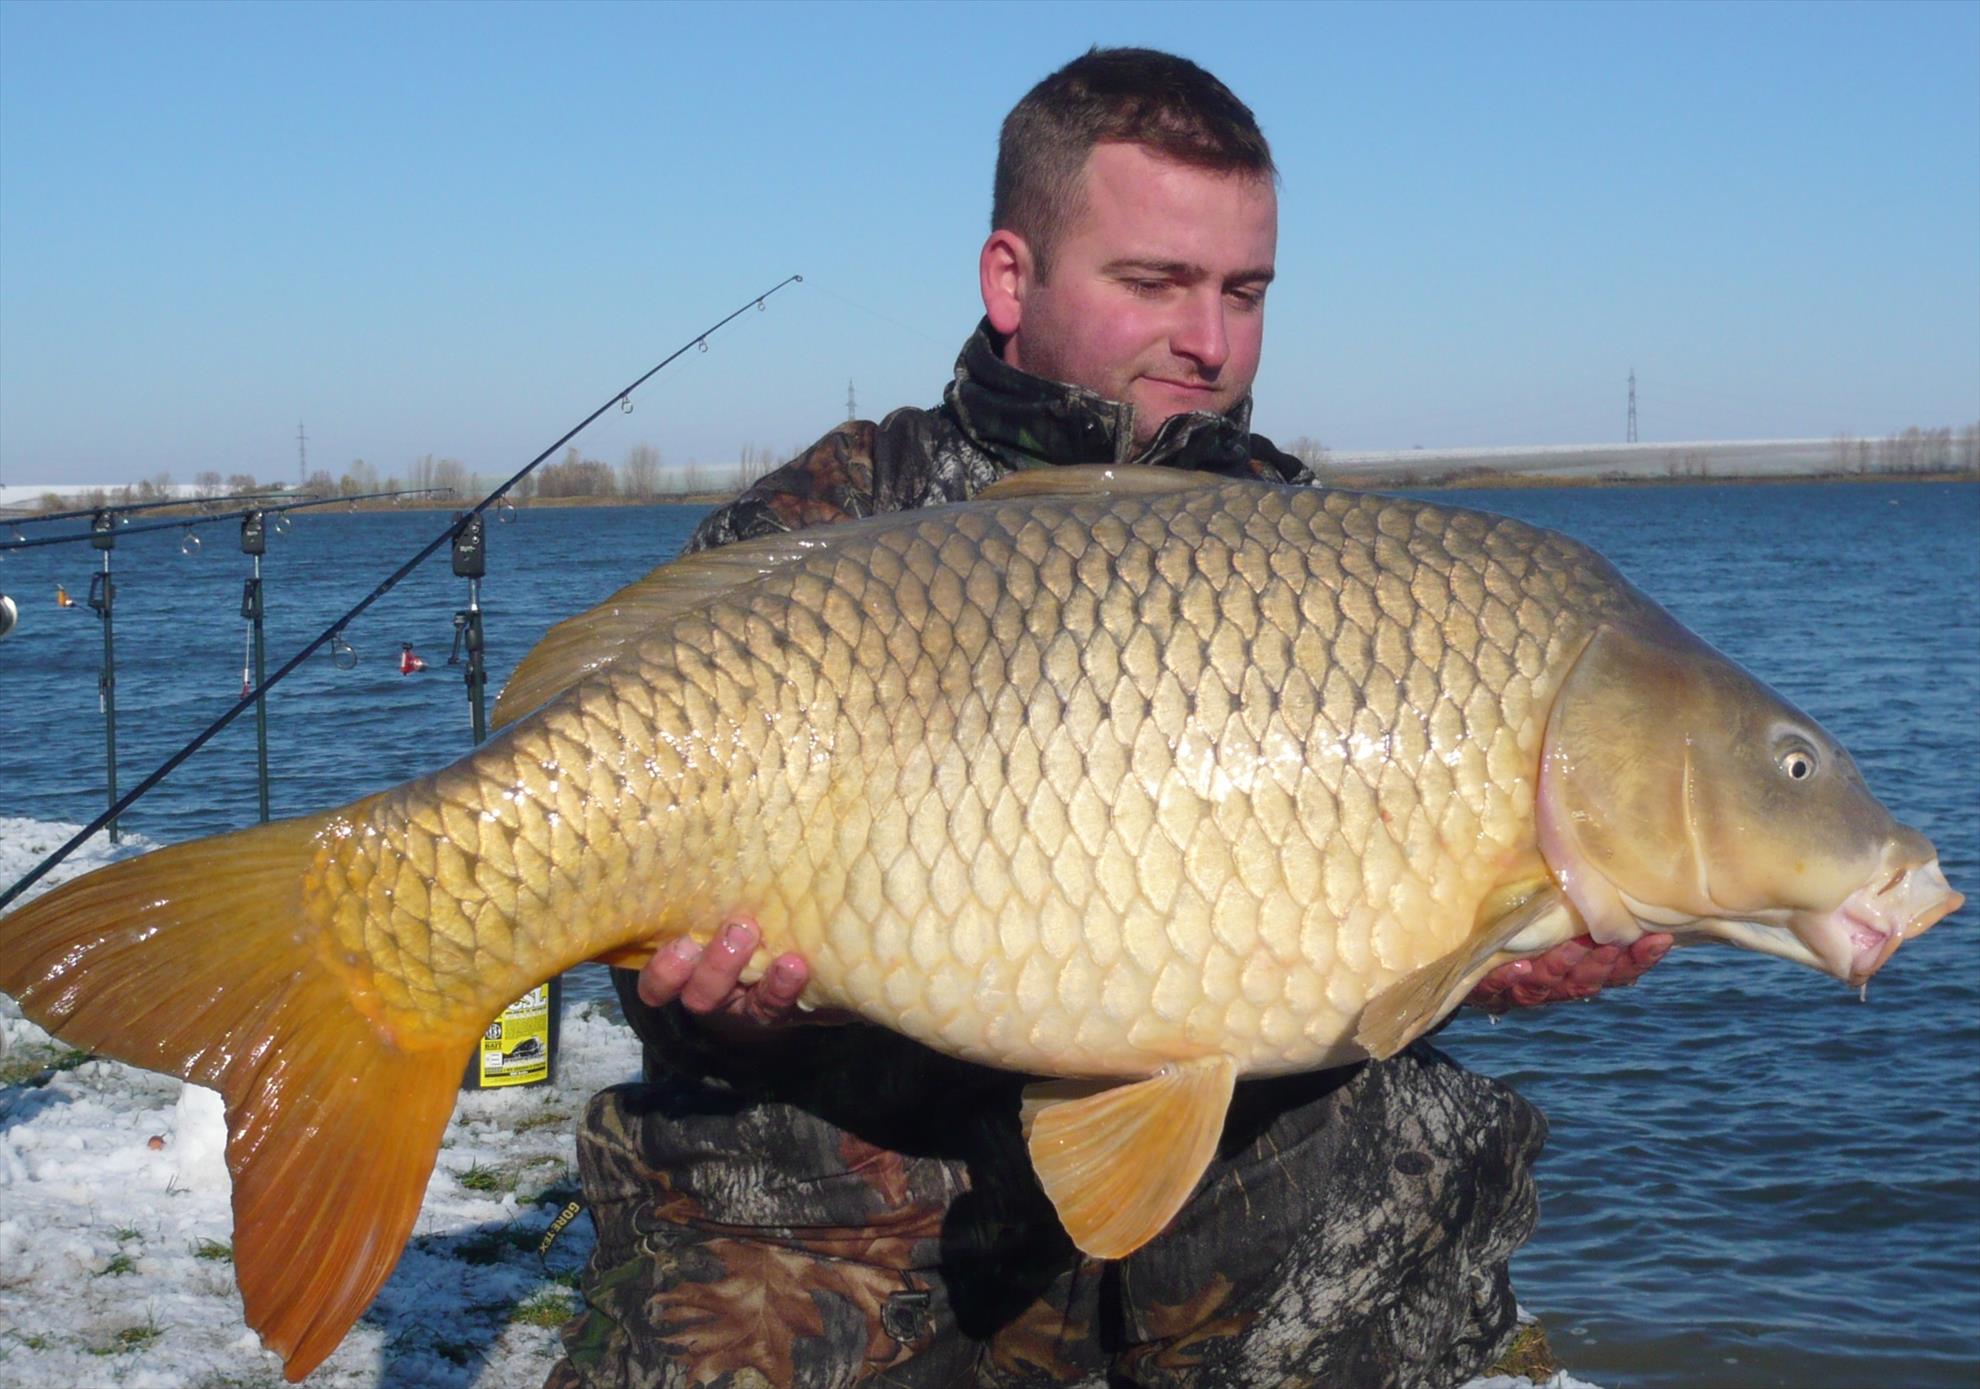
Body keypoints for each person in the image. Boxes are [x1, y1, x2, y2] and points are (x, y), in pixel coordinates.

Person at [548, 48, 1670, 1389]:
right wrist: (725, 1010)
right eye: (1156, 283)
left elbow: (1357, 934)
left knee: (1398, 1145)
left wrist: (1486, 953)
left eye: (1244, 292)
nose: (1210, 340)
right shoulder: (838, 519)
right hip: (872, 1191)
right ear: (1008, 278)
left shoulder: (1333, 564)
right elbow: (659, 984)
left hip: (1213, 1218)